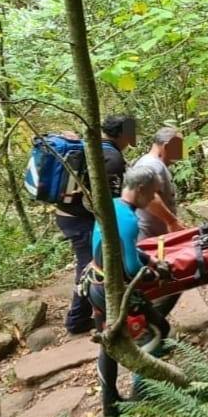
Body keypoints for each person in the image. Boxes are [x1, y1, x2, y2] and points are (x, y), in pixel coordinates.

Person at [86, 164, 163, 417]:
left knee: (109, 344)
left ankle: (109, 404)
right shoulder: (130, 220)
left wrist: (147, 259)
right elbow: (131, 270)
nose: (153, 199)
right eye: (152, 194)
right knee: (156, 331)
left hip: (95, 283)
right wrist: (154, 273)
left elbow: (113, 246)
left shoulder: (110, 206)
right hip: (115, 292)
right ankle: (144, 394)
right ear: (140, 190)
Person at [58, 114, 136, 335]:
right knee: (89, 266)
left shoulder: (95, 147)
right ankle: (76, 320)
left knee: (92, 263)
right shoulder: (112, 158)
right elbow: (110, 201)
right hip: (79, 220)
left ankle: (94, 311)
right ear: (121, 134)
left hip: (69, 214)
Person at [132, 126, 187, 318]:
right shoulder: (151, 165)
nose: (181, 153)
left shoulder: (155, 164)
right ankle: (150, 327)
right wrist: (171, 221)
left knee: (169, 281)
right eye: (178, 147)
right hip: (147, 237)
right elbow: (148, 195)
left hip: (156, 237)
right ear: (165, 146)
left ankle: (151, 326)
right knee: (170, 280)